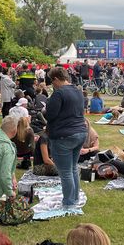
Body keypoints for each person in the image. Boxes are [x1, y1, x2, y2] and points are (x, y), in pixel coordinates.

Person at [44, 67, 87, 208]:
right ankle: (74, 198)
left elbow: (50, 115)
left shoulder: (59, 94)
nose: (52, 84)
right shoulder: (78, 91)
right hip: (80, 132)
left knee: (65, 172)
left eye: (52, 81)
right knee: (73, 168)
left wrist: (45, 109)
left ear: (56, 79)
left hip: (63, 136)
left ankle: (69, 202)